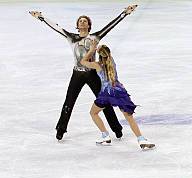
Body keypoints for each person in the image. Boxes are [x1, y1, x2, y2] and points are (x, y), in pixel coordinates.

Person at [29, 5, 138, 140]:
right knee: (69, 101)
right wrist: (41, 17)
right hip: (77, 74)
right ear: (77, 25)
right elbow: (56, 27)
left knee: (105, 101)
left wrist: (124, 13)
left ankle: (116, 128)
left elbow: (110, 26)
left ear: (88, 25)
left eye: (85, 21)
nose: (82, 22)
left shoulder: (95, 37)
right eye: (80, 21)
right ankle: (61, 129)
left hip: (93, 74)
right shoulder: (71, 37)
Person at [80, 41, 155, 149]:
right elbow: (106, 53)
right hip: (119, 91)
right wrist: (100, 49)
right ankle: (141, 139)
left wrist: (92, 50)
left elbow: (83, 61)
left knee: (93, 113)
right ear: (109, 54)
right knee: (129, 117)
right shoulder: (112, 61)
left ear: (99, 54)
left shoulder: (97, 65)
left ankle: (105, 135)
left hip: (106, 94)